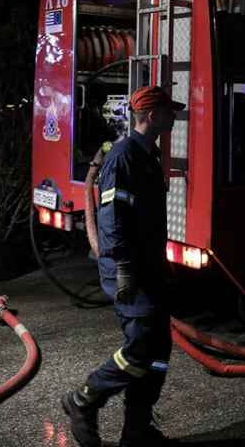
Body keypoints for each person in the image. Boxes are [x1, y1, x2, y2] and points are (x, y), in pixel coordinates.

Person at [62, 84, 185, 447]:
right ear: (151, 116)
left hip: (148, 268)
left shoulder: (147, 155)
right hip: (128, 268)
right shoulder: (123, 156)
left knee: (158, 352)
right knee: (142, 346)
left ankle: (137, 430)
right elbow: (113, 217)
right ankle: (84, 399)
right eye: (167, 111)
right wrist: (126, 267)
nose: (173, 115)